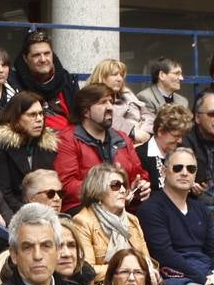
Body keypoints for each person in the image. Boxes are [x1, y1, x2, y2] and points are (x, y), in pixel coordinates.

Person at [137, 146, 214, 285]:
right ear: (164, 172)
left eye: (191, 169)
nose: (184, 173)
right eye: (178, 168)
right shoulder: (150, 209)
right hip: (175, 277)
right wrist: (204, 279)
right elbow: (164, 255)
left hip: (206, 273)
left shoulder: (202, 209)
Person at [54, 82, 148, 213]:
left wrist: (140, 186)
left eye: (111, 101)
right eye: (103, 102)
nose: (110, 107)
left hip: (122, 209)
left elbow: (138, 175)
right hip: (84, 209)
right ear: (85, 111)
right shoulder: (68, 139)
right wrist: (106, 191)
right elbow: (66, 185)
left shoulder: (122, 138)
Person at [70, 162, 161, 282]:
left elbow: (147, 260)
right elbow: (87, 271)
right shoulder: (82, 222)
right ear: (98, 189)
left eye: (123, 185)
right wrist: (127, 270)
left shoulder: (132, 220)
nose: (123, 190)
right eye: (116, 185)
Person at [0, 91, 59, 212]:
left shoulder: (47, 147)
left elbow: (51, 189)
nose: (39, 119)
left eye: (41, 114)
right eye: (32, 115)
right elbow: (2, 193)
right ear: (16, 117)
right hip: (12, 212)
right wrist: (31, 212)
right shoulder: (1, 145)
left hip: (45, 211)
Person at [8, 29, 78, 128]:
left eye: (47, 53)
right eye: (36, 55)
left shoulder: (68, 80)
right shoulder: (13, 83)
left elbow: (79, 119)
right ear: (25, 58)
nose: (43, 59)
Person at [90, 58, 151, 147]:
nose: (119, 79)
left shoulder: (127, 93)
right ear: (102, 77)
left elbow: (147, 114)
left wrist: (144, 131)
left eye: (121, 75)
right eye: (114, 75)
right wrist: (132, 131)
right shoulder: (93, 96)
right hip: (118, 144)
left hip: (142, 138)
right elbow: (106, 117)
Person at [139, 104, 194, 188]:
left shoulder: (182, 151)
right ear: (160, 131)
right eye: (176, 136)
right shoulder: (140, 155)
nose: (180, 140)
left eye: (182, 136)